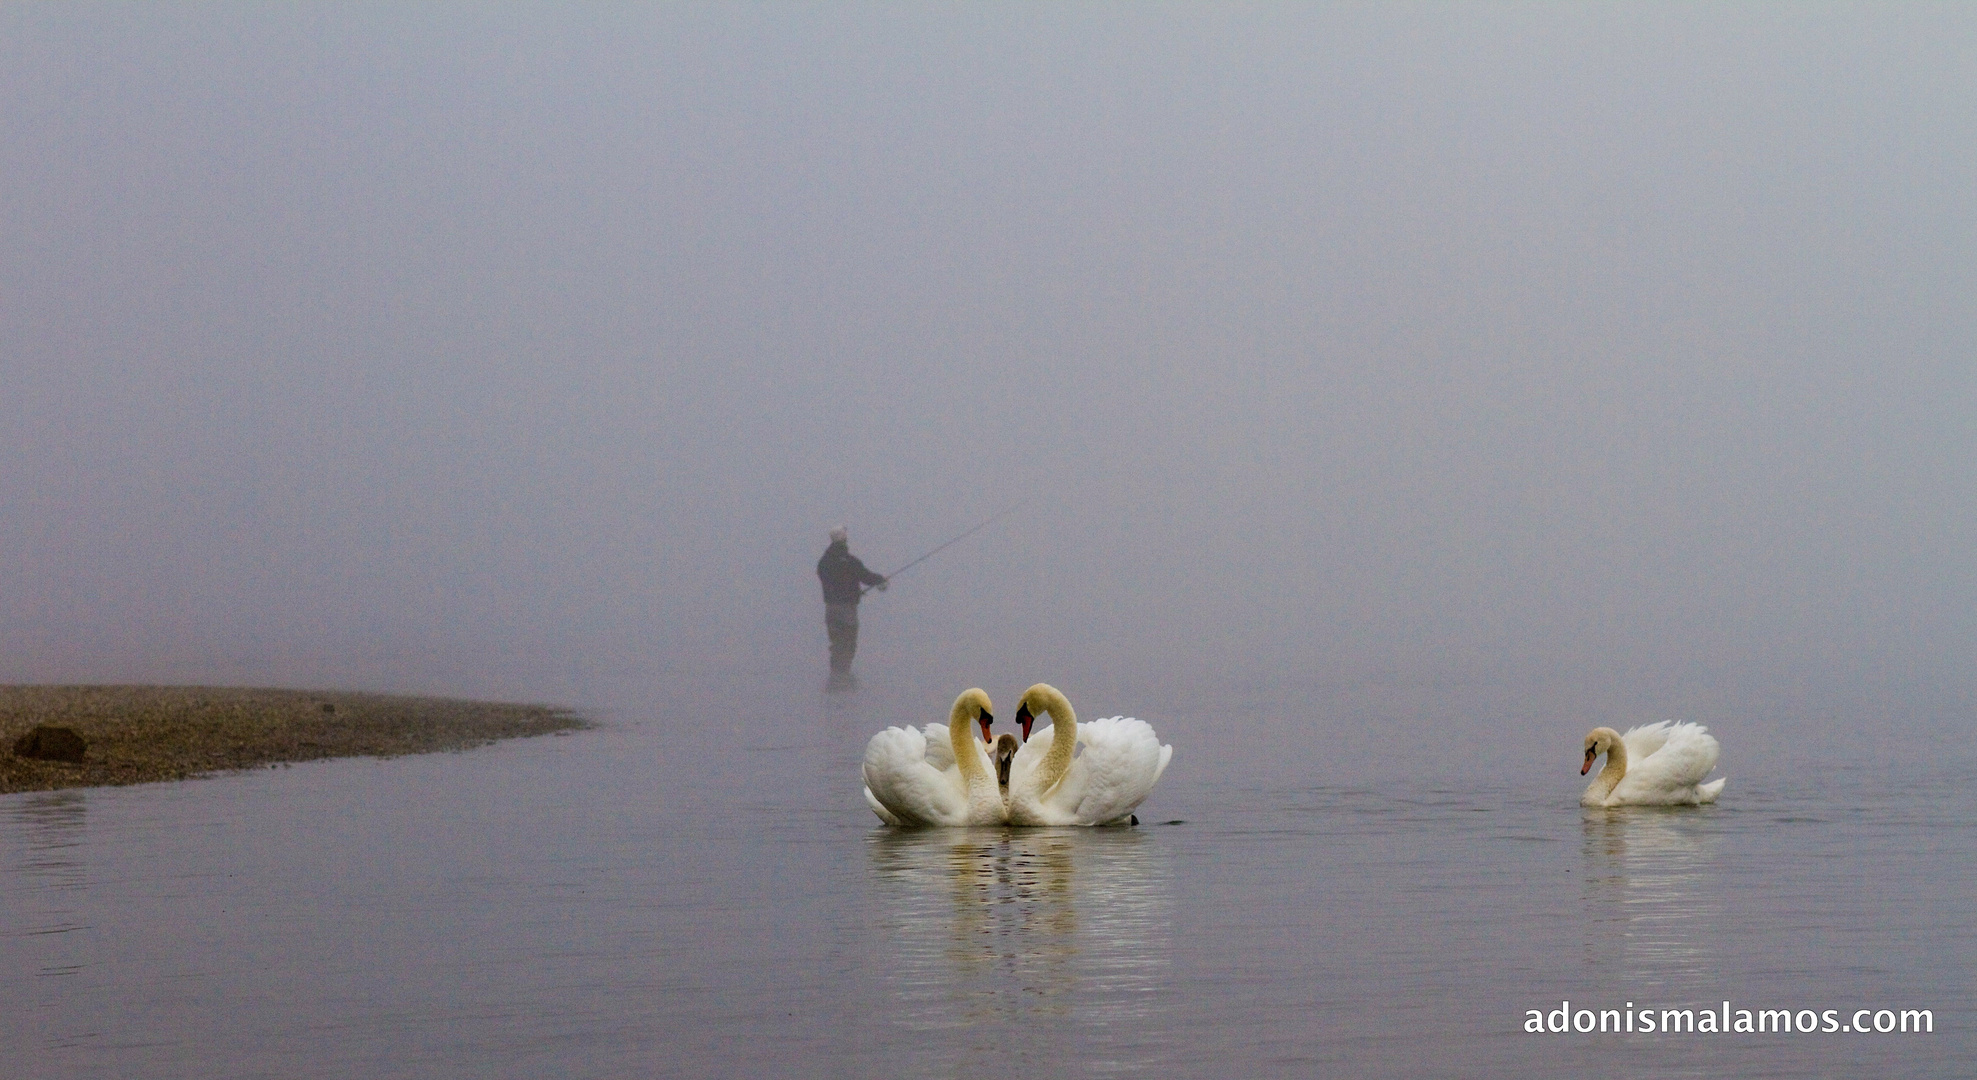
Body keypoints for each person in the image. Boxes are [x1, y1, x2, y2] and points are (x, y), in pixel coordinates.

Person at [817, 526, 886, 686]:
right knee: (848, 642)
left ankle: (835, 675)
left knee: (836, 642)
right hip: (847, 608)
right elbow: (866, 576)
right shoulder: (850, 561)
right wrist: (880, 579)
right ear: (844, 540)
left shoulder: (823, 562)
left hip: (830, 609)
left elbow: (827, 579)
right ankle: (843, 677)